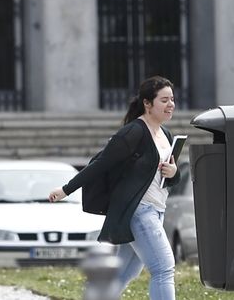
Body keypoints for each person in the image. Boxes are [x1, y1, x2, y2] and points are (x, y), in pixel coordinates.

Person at [48, 76, 178, 300]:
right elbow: (101, 163)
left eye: (172, 99)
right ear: (147, 104)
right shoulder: (134, 132)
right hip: (140, 211)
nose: (171, 105)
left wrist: (173, 173)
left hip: (156, 209)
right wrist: (66, 189)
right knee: (163, 269)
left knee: (125, 272)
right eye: (164, 100)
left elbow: (167, 177)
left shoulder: (165, 135)